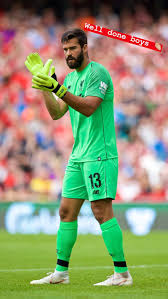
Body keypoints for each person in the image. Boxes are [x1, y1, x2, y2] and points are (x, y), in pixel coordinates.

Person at [25, 28, 133, 286]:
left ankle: (122, 274)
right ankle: (61, 273)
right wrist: (44, 86)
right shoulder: (70, 78)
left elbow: (88, 107)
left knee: (100, 210)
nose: (68, 54)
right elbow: (56, 113)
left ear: (85, 47)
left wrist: (57, 88)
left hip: (100, 155)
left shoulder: (98, 73)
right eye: (64, 50)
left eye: (73, 48)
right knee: (65, 211)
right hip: (78, 155)